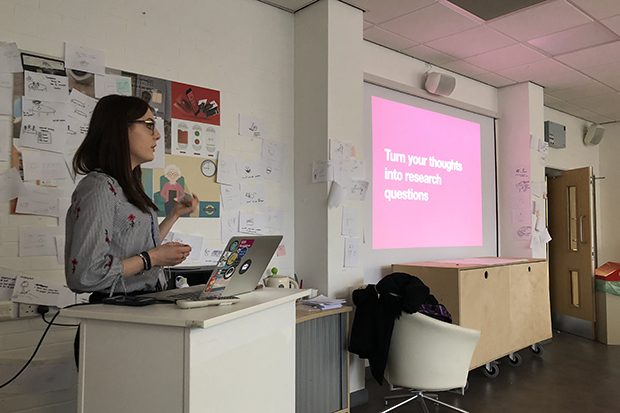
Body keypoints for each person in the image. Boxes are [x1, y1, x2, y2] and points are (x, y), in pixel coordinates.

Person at [65, 94, 198, 301]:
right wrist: (153, 258)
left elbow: (138, 246)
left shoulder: (128, 185)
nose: (157, 136)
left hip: (142, 306)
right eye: (148, 125)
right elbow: (85, 275)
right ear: (119, 128)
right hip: (116, 316)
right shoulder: (99, 187)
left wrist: (174, 215)